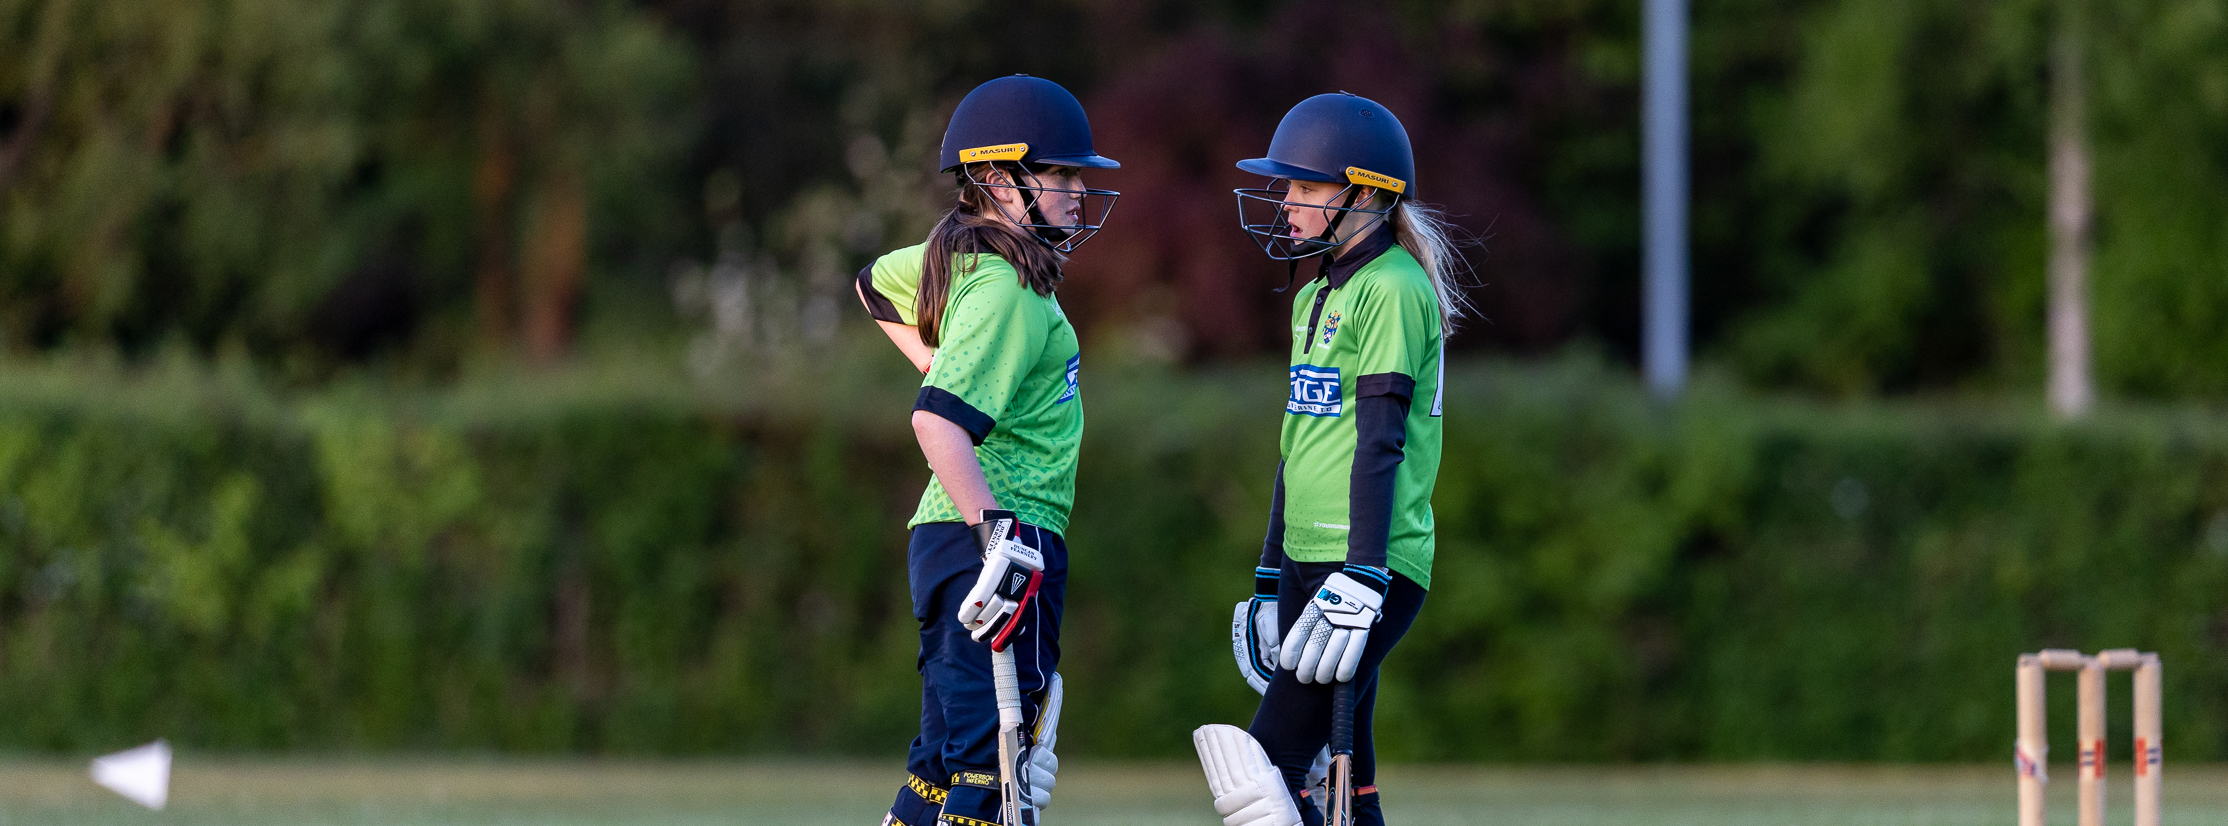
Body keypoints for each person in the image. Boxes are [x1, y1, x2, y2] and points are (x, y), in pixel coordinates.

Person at [858, 74, 1118, 826]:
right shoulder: (1003, 285)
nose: (1078, 189)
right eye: (1062, 173)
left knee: (943, 764)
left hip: (951, 538)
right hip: (1002, 536)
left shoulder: (968, 263)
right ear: (1000, 179)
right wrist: (998, 538)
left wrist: (940, 367)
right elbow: (936, 423)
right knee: (996, 767)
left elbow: (874, 284)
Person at [1213, 92, 1469, 826]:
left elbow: (1380, 440)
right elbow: (1299, 446)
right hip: (1307, 558)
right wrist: (1270, 569)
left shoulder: (1392, 287)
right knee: (1342, 784)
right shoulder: (1315, 294)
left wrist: (1363, 571)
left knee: (1260, 773)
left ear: (1363, 193)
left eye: (1304, 186)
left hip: (1365, 565)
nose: (1285, 202)